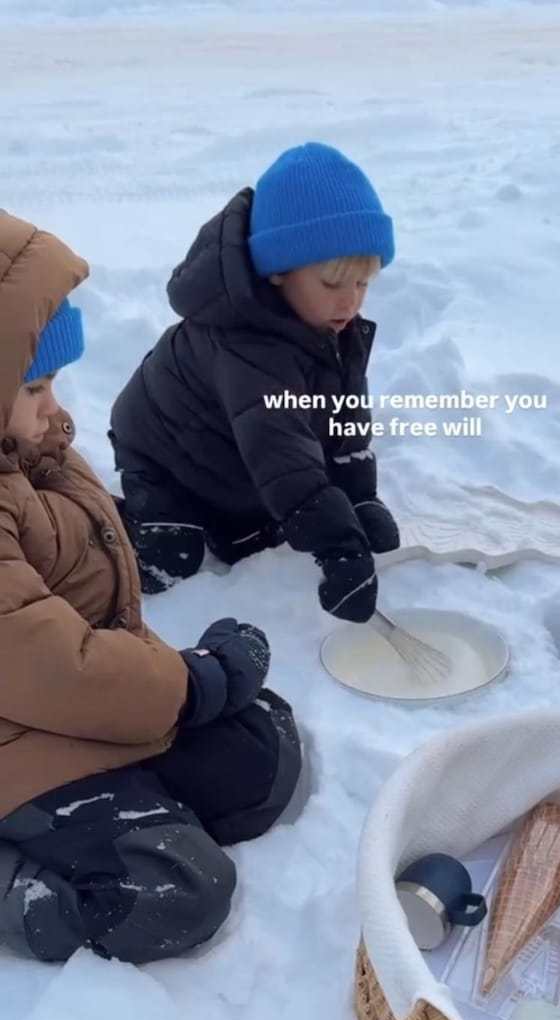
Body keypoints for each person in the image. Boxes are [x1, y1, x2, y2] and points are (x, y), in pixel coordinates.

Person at [0, 210, 302, 965]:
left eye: (54, 382)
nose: (55, 408)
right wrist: (189, 683)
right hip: (20, 732)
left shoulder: (32, 452)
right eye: (33, 386)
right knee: (177, 887)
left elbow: (70, 607)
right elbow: (45, 662)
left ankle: (131, 796)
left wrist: (187, 682)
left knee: (254, 761)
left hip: (59, 710)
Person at [108, 141, 399, 625]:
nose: (350, 302)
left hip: (233, 447)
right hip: (167, 455)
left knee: (259, 531)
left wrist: (358, 494)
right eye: (333, 284)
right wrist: (338, 547)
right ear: (278, 273)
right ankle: (118, 521)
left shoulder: (332, 324)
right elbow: (279, 449)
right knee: (172, 558)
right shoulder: (245, 344)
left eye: (363, 283)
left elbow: (345, 417)